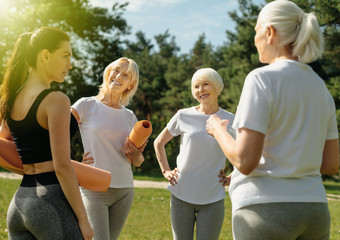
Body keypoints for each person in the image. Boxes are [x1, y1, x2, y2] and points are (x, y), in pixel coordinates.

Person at [206, 1, 340, 239]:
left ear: (270, 32)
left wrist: (217, 130)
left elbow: (245, 161)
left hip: (264, 209)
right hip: (315, 210)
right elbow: (330, 164)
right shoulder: (321, 87)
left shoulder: (261, 79)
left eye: (256, 30)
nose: (253, 38)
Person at [0, 27, 93, 239]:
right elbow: (62, 166)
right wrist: (83, 220)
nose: (69, 64)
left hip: (20, 203)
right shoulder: (56, 100)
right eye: (66, 55)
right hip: (49, 204)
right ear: (45, 55)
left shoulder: (11, 99)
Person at [154, 68, 235, 240]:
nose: (200, 90)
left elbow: (248, 150)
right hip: (181, 195)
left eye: (206, 84)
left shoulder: (231, 120)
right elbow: (159, 142)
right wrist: (166, 171)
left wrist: (233, 176)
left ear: (217, 87)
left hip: (213, 198)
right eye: (196, 86)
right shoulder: (183, 115)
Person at [71, 57, 146, 240]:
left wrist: (136, 156)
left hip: (124, 190)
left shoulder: (130, 117)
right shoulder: (86, 105)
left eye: (125, 75)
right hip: (94, 189)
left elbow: (138, 161)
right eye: (116, 70)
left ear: (131, 83)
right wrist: (72, 163)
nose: (118, 76)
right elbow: (55, 134)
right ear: (108, 72)